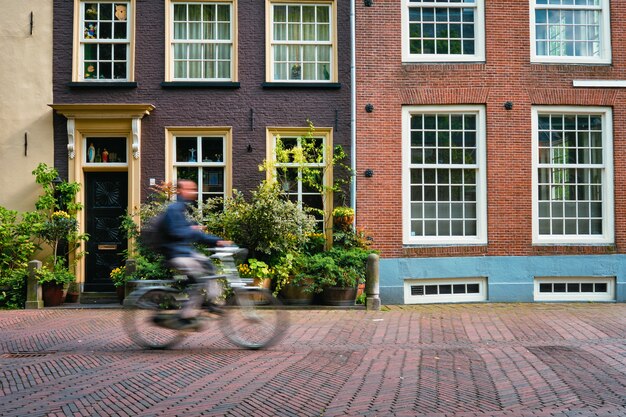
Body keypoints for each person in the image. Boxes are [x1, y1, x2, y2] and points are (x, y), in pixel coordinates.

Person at [159, 179, 232, 330]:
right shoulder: (174, 209)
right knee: (199, 278)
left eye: (194, 189)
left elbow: (197, 235)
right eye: (190, 189)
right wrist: (193, 230)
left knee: (208, 264)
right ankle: (186, 316)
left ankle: (212, 301)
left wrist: (218, 241)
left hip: (184, 253)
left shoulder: (182, 209)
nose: (194, 192)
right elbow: (175, 232)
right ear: (180, 191)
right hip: (175, 254)